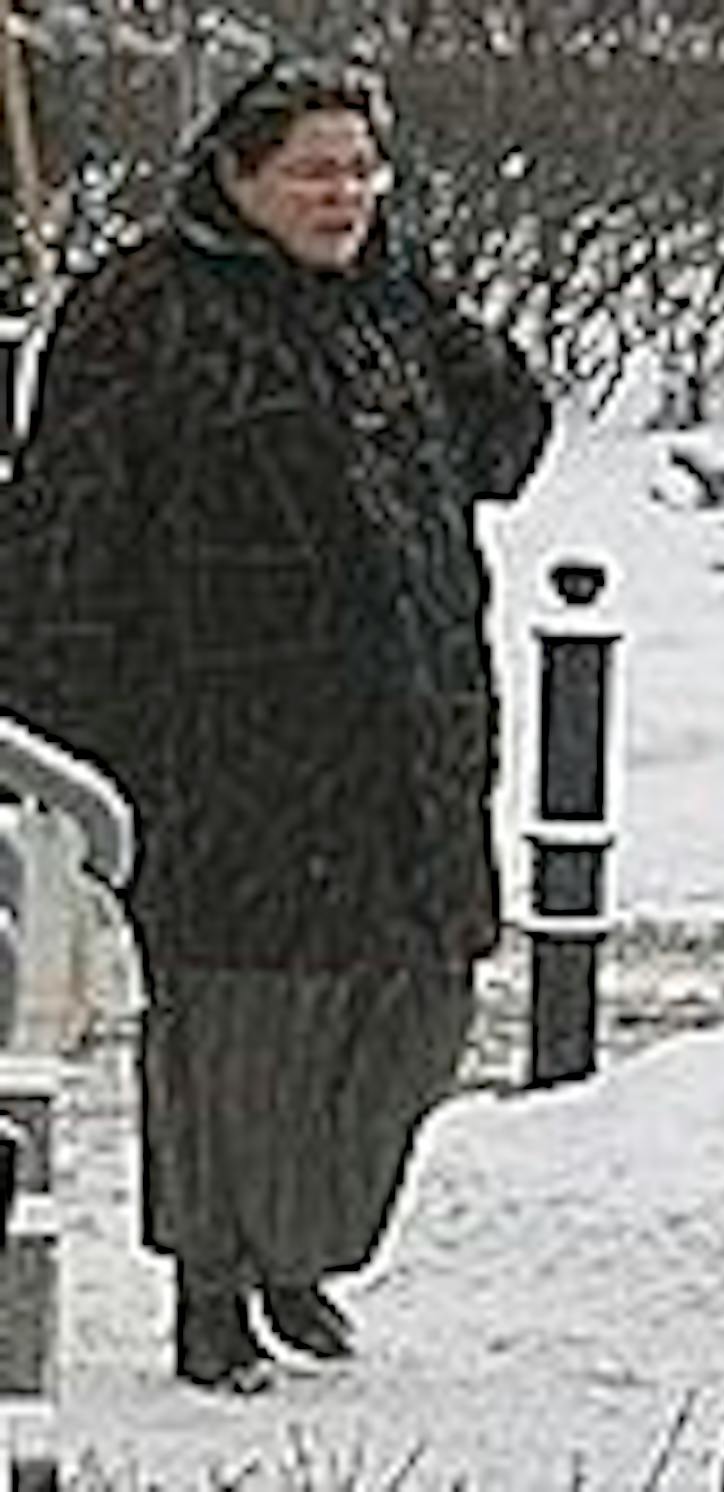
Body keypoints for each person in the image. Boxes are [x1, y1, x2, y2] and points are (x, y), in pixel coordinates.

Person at [0, 57, 552, 1393]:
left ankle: (302, 1250)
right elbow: (66, 527)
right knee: (241, 1025)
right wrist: (66, 738)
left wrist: (440, 314)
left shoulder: (390, 303)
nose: (345, 194)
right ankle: (215, 1284)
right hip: (224, 736)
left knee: (407, 1010)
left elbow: (506, 447)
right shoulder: (141, 310)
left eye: (363, 170)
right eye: (314, 170)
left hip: (409, 733)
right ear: (237, 177)